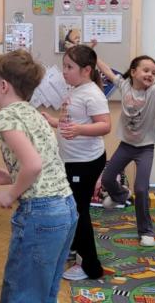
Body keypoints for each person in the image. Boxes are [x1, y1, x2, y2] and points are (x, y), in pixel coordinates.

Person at [0, 50, 78, 303]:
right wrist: (10, 177)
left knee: (22, 292)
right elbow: (44, 162)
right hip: (66, 207)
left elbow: (33, 165)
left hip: (41, 212)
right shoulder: (32, 112)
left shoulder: (5, 116)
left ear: (3, 86)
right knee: (44, 291)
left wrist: (10, 193)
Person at [96, 42, 155, 247]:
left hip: (145, 148)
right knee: (107, 178)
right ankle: (121, 195)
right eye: (146, 70)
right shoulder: (124, 85)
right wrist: (92, 53)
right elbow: (106, 70)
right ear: (133, 72)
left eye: (154, 72)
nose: (150, 74)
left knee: (141, 189)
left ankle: (146, 231)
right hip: (126, 145)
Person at [42, 45, 111, 281]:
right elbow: (71, 121)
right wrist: (53, 121)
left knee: (79, 211)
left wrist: (79, 129)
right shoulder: (76, 89)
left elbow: (105, 125)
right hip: (72, 160)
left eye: (69, 67)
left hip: (85, 162)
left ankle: (91, 266)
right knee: (73, 208)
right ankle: (75, 248)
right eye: (64, 66)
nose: (64, 71)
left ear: (86, 70)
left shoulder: (92, 93)